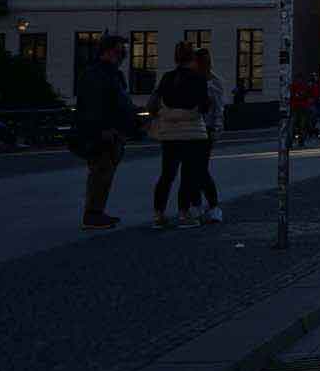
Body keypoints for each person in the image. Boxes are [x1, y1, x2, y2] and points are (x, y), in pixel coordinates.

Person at [75, 34, 141, 230]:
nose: (123, 55)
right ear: (109, 51)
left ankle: (96, 211)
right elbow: (94, 105)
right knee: (101, 172)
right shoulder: (98, 74)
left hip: (113, 130)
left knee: (104, 172)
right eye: (120, 50)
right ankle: (93, 214)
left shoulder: (108, 73)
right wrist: (101, 129)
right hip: (105, 131)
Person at [147, 42, 212, 229]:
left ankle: (158, 214)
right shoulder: (198, 79)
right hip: (192, 133)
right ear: (192, 58)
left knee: (167, 175)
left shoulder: (167, 77)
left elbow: (153, 104)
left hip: (169, 133)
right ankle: (184, 214)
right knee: (188, 175)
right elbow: (205, 106)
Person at [191, 48, 225, 223]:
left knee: (200, 169)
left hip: (206, 129)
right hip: (191, 128)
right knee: (193, 169)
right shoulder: (192, 79)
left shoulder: (214, 82)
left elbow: (218, 109)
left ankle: (211, 206)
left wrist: (216, 130)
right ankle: (197, 204)